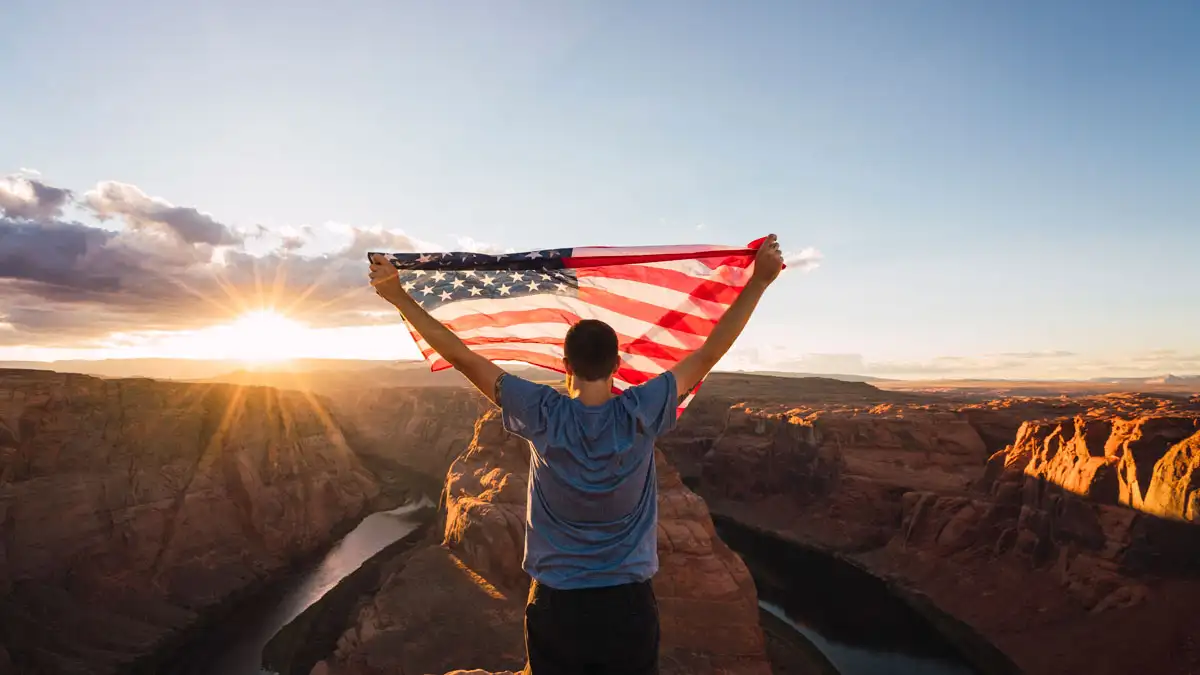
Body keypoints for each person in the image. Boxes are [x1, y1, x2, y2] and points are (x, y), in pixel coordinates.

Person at [368, 235, 784, 675]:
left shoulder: (542, 414)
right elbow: (710, 351)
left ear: (565, 365)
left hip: (557, 604)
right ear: (618, 364)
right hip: (628, 608)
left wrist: (398, 296)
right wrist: (758, 282)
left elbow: (461, 356)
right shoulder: (642, 411)